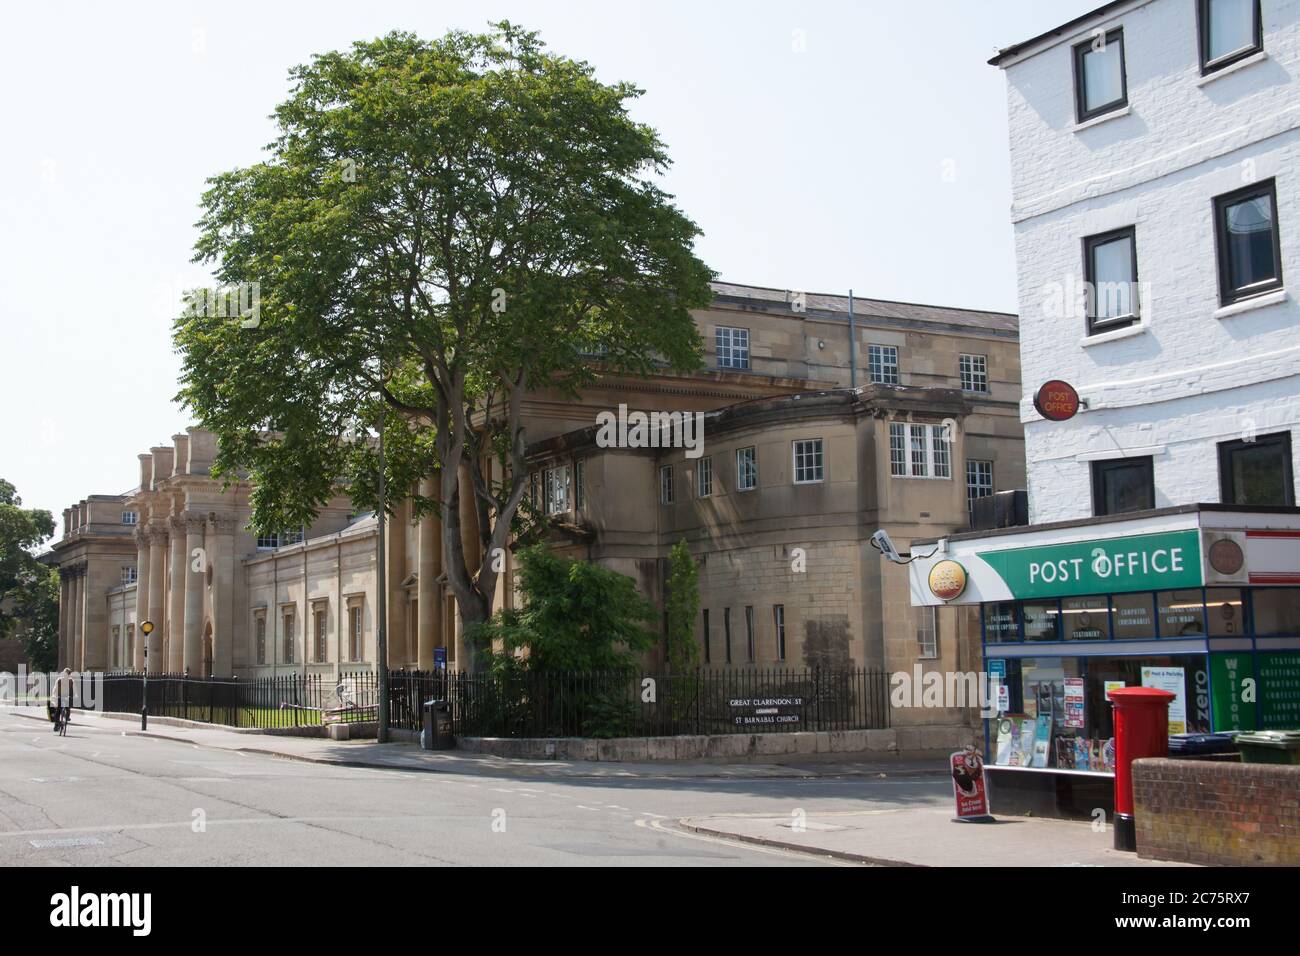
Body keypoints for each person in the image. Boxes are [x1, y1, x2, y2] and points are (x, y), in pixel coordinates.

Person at [52, 668, 74, 734]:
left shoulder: (69, 681)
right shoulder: (62, 680)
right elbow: (55, 689)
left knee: (59, 711)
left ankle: (58, 723)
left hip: (64, 696)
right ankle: (63, 720)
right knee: (64, 709)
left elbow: (73, 689)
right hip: (62, 696)